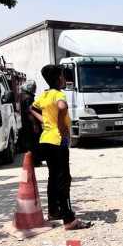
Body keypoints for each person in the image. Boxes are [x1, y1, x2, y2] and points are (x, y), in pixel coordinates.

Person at [30, 65, 91, 230]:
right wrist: (63, 131)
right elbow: (62, 107)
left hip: (46, 140)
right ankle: (69, 220)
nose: (65, 79)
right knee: (64, 179)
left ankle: (53, 212)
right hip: (58, 141)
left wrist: (44, 121)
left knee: (53, 177)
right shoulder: (58, 94)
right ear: (58, 79)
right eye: (63, 76)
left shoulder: (45, 95)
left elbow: (32, 108)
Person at [19, 81, 41, 158]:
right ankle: (35, 160)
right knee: (34, 143)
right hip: (30, 125)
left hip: (27, 124)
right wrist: (35, 124)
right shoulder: (28, 98)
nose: (35, 89)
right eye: (34, 87)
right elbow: (30, 112)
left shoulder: (25, 96)